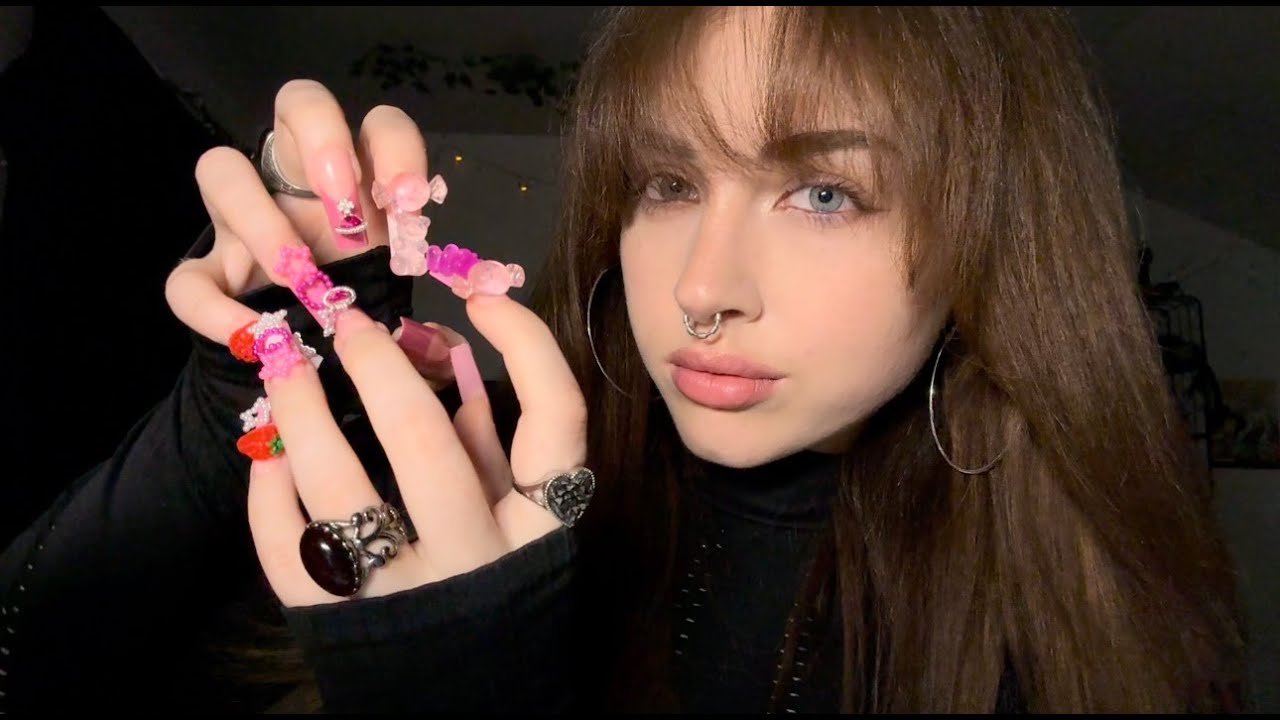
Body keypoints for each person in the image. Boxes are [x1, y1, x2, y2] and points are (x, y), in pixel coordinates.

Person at [0, 6, 1246, 713]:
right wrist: (233, 400)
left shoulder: (1082, 642)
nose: (700, 289)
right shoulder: (486, 463)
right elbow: (31, 656)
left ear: (995, 243)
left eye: (823, 193)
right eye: (666, 182)